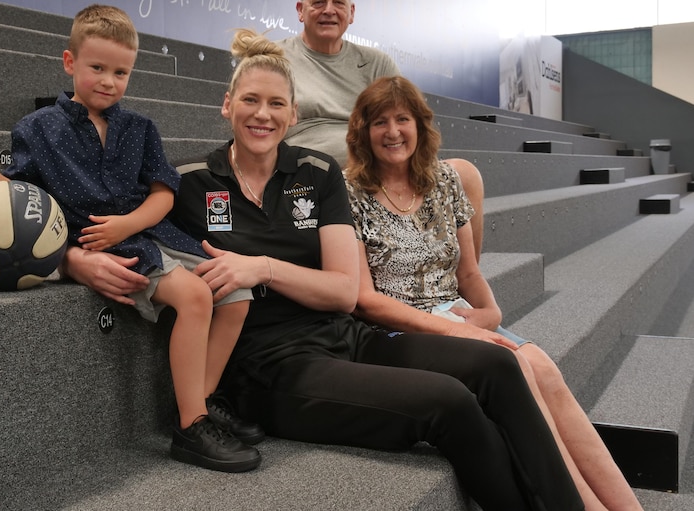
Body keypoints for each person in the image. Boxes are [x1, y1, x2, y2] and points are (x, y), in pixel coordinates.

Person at [159, 28, 581, 509]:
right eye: (250, 100)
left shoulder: (316, 173)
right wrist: (86, 260)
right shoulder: (188, 181)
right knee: (450, 402)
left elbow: (343, 292)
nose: (263, 114)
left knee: (499, 364)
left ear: (294, 114)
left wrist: (263, 268)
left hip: (348, 335)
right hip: (272, 369)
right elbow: (111, 221)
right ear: (227, 104)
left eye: (277, 104)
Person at [0, 4, 262, 473]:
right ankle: (191, 427)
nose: (109, 81)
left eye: (121, 72)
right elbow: (22, 191)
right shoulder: (38, 129)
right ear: (70, 62)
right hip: (103, 244)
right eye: (98, 68)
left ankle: (203, 398)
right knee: (195, 296)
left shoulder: (140, 128)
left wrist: (130, 222)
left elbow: (163, 194)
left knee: (237, 294)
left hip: (148, 231)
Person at [344, 75, 644, 511]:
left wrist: (489, 312)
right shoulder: (351, 194)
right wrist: (456, 331)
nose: (393, 132)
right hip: (401, 327)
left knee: (540, 364)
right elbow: (365, 300)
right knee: (519, 369)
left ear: (420, 126)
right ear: (363, 133)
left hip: (459, 313)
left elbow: (468, 272)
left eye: (403, 119)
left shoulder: (445, 181)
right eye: (380, 122)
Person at [280, 0, 485, 261]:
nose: (329, 10)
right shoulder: (277, 58)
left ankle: (464, 282)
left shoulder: (377, 63)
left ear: (351, 13)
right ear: (300, 10)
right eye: (318, 2)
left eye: (338, 3)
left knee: (466, 174)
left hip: (381, 165)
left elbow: (408, 121)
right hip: (316, 172)